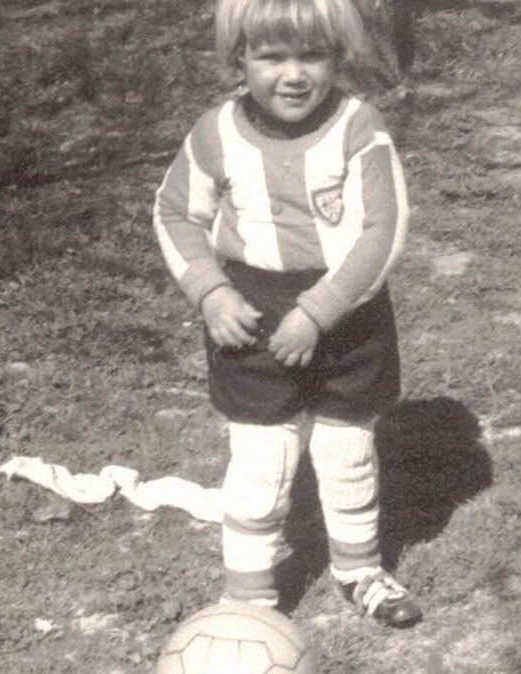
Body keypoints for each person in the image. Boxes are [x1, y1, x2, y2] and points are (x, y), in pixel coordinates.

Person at [152, 0, 421, 628]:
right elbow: (174, 214)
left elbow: (385, 228)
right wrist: (212, 293)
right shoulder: (214, 133)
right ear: (238, 58)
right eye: (272, 56)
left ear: (339, 57)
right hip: (249, 310)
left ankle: (360, 571)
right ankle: (248, 597)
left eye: (311, 55)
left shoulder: (360, 126)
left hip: (347, 311)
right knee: (262, 458)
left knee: (345, 447)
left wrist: (319, 311)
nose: (293, 75)